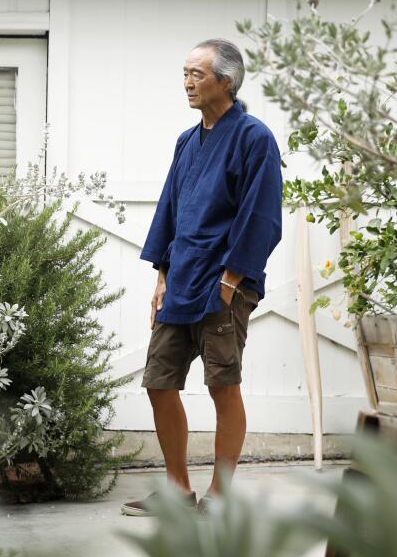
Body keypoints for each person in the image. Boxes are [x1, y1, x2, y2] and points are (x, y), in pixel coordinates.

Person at [120, 39, 283, 516]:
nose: (187, 82)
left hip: (223, 283)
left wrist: (231, 280)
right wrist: (162, 276)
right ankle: (177, 492)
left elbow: (262, 217)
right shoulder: (186, 142)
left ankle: (220, 496)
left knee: (222, 385)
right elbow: (170, 210)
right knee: (158, 381)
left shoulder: (254, 138)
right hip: (183, 278)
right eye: (185, 72)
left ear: (225, 82)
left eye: (197, 73)